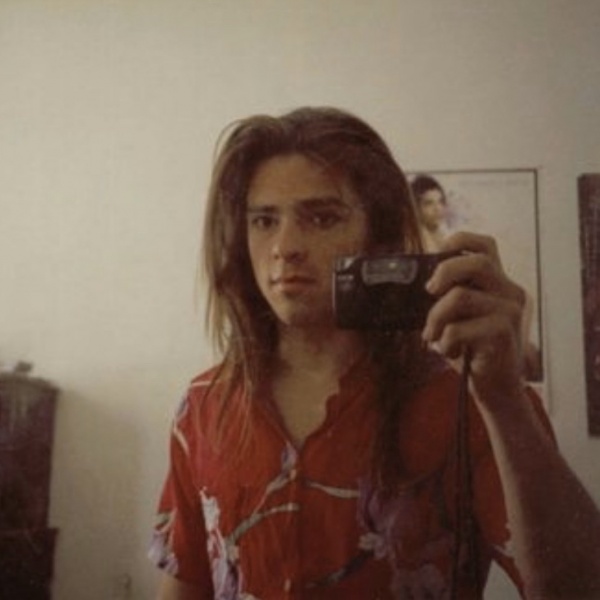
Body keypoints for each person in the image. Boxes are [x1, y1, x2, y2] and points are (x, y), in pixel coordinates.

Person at [149, 107, 600, 599]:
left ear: (378, 238)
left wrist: (504, 398)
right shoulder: (203, 405)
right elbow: (186, 583)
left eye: (322, 217)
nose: (285, 246)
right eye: (264, 220)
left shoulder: (469, 397)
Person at [411, 174, 450, 253]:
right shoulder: (416, 240)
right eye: (428, 203)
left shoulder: (443, 234)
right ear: (416, 208)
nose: (437, 209)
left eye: (440, 201)